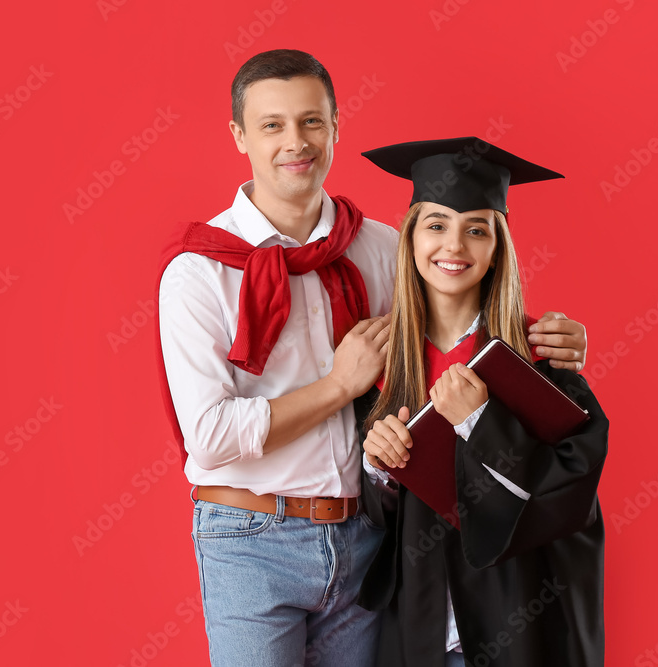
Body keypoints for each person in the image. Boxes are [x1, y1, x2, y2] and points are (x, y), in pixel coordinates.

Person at [154, 50, 590, 667]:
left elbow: (454, 309)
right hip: (251, 540)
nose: (295, 142)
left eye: (311, 121)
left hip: (366, 537)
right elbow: (210, 435)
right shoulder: (198, 272)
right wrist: (339, 387)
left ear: (336, 126)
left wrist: (543, 337)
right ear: (239, 136)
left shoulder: (379, 249)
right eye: (271, 124)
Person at [358, 137, 609, 667]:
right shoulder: (384, 362)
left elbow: (574, 491)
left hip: (516, 626)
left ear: (498, 249)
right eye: (436, 225)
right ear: (410, 238)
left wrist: (481, 421)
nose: (454, 246)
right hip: (421, 628)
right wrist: (379, 468)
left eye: (477, 230)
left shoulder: (534, 357)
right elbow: (377, 520)